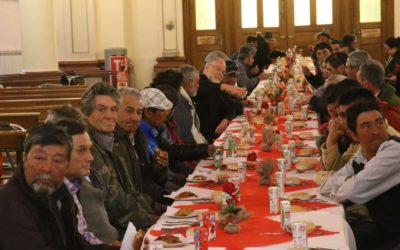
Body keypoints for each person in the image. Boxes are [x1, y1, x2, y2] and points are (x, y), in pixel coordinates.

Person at [0, 124, 114, 249]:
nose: (47, 168)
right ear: (24, 158)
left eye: (57, 161)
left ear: (66, 165)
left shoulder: (59, 193)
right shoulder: (9, 205)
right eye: (39, 158)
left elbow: (78, 245)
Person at [320, 100, 400, 249]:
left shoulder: (394, 152)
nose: (376, 131)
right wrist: (351, 180)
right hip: (384, 229)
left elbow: (353, 192)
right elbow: (326, 186)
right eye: (366, 126)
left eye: (379, 123)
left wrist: (350, 182)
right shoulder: (361, 155)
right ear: (353, 135)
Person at [80, 82, 154, 238]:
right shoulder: (88, 147)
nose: (109, 115)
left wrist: (151, 213)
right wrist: (150, 220)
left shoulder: (111, 140)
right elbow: (113, 202)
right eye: (101, 110)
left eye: (113, 109)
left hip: (128, 225)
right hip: (112, 234)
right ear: (86, 113)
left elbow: (130, 190)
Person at [115, 87, 170, 207]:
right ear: (115, 110)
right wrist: (157, 207)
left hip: (147, 202)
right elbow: (124, 195)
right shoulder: (113, 142)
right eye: (129, 111)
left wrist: (158, 168)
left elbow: (145, 180)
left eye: (139, 112)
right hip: (135, 212)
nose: (135, 118)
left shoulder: (139, 136)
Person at [194, 56, 239, 142]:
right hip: (206, 139)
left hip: (219, 134)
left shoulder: (217, 86)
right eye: (218, 69)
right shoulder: (199, 84)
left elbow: (234, 107)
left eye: (222, 72)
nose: (220, 74)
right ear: (207, 67)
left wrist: (226, 119)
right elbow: (203, 87)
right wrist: (223, 87)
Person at [174, 65, 207, 144]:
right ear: (190, 83)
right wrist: (204, 149)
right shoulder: (180, 101)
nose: (198, 86)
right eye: (197, 82)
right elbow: (187, 134)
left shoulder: (184, 97)